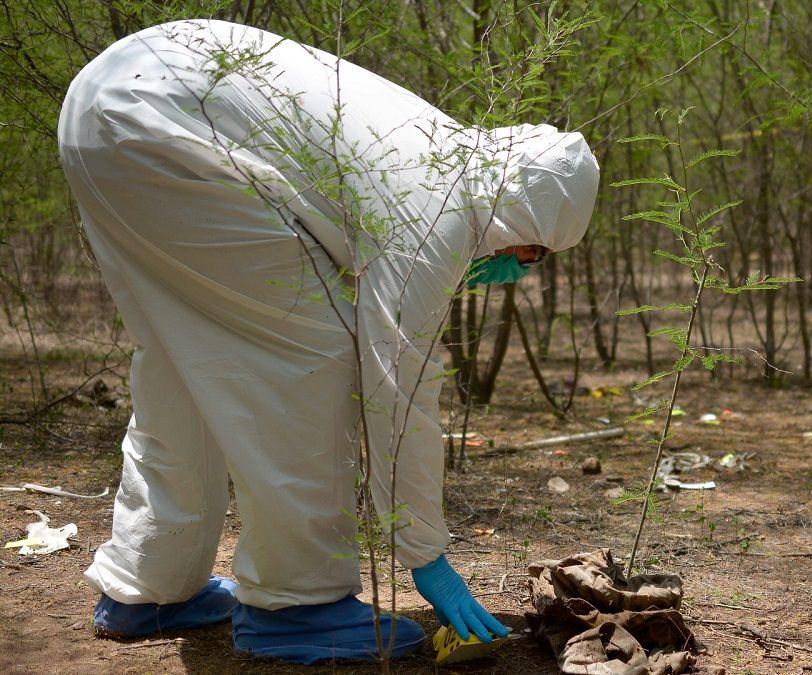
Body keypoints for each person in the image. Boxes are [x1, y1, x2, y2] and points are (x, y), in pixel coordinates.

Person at [57, 19, 599, 664]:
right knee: (315, 362)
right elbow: (397, 390)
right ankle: (298, 604)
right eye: (533, 250)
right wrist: (424, 553)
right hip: (166, 126)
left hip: (107, 106)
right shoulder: (440, 208)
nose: (519, 265)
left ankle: (151, 586)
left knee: (185, 356)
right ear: (522, 214)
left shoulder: (437, 151)